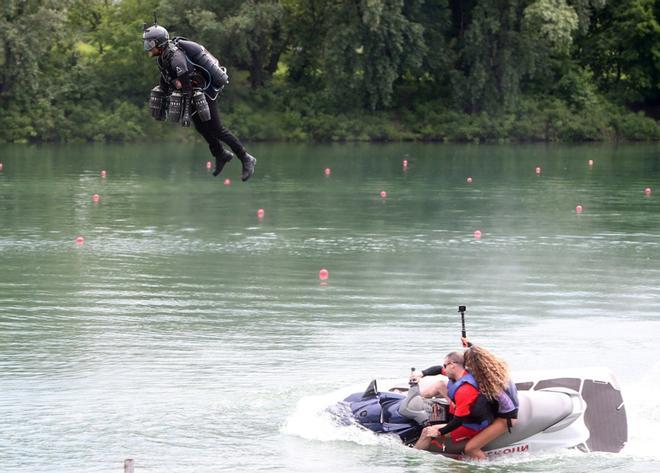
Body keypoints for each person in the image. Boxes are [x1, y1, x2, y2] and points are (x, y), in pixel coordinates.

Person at [142, 23, 256, 181]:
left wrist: (187, 113)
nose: (147, 47)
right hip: (193, 93)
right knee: (202, 127)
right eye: (146, 43)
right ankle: (220, 154)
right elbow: (166, 78)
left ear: (160, 42)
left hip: (204, 92)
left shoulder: (176, 58)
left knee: (217, 129)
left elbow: (187, 87)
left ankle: (246, 158)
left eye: (150, 43)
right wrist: (161, 94)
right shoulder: (163, 57)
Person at [413, 351, 494, 452]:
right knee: (440, 384)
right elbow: (438, 369)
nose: (444, 369)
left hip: (470, 425)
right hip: (461, 412)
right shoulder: (460, 373)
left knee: (426, 432)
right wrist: (421, 374)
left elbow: (458, 421)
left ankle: (413, 456)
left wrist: (439, 432)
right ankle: (415, 397)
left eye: (445, 365)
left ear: (452, 365)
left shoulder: (465, 390)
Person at [461, 341, 519, 460]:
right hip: (511, 407)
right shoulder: (496, 367)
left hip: (506, 419)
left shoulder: (490, 384)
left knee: (470, 449)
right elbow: (478, 355)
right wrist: (470, 345)